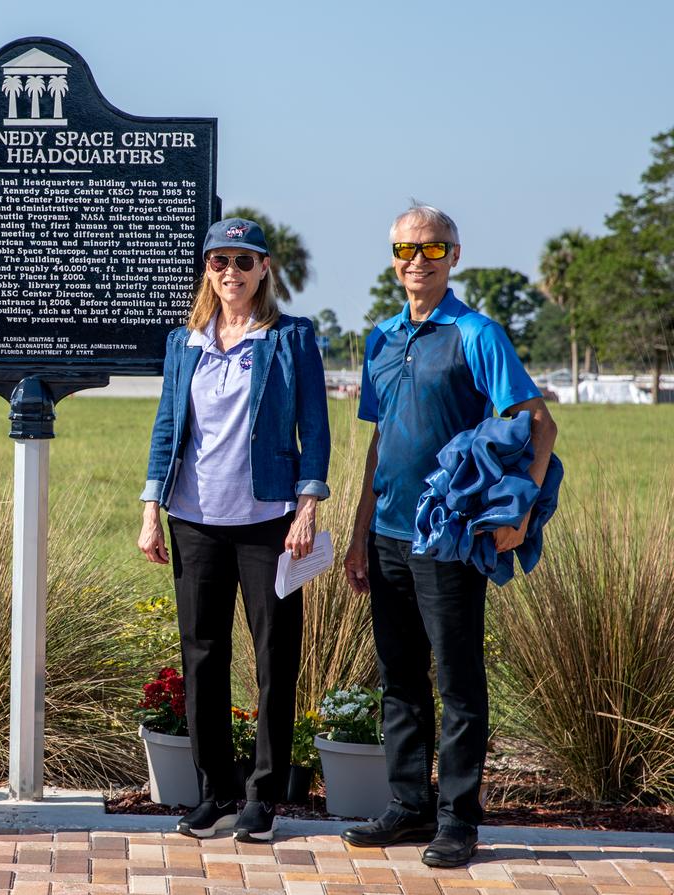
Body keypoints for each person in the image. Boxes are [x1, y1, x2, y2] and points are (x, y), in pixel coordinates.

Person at [342, 205, 557, 867]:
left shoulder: (476, 333)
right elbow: (381, 443)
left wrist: (517, 516)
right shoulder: (380, 339)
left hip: (449, 537)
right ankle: (409, 806)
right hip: (386, 536)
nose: (417, 261)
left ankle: (458, 819)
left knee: (457, 682)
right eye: (406, 249)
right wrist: (356, 533)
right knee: (399, 679)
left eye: (432, 250)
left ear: (453, 257)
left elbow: (538, 423)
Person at [138, 218, 331, 841]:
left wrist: (307, 509)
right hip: (193, 520)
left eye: (243, 261)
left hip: (267, 521)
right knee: (201, 655)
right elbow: (168, 428)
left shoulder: (289, 338)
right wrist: (151, 510)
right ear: (207, 269)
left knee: (275, 656)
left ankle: (263, 795)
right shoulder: (184, 341)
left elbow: (314, 430)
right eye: (219, 261)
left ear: (264, 269)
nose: (231, 273)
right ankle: (215, 791)